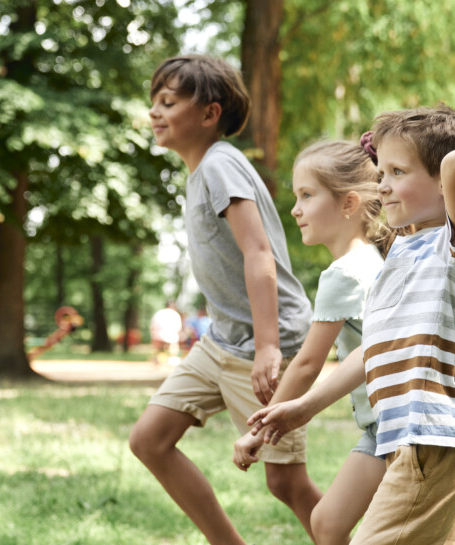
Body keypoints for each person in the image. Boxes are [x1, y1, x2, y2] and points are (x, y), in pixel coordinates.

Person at [249, 106, 455, 545]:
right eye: (380, 172)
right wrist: (303, 408)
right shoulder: (401, 252)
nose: (381, 185)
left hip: (431, 435)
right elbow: (373, 351)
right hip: (404, 435)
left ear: (445, 186)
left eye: (396, 172)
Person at [127, 54, 320, 545]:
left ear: (209, 114)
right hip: (221, 341)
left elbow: (258, 254)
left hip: (265, 341)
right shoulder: (200, 172)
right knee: (149, 440)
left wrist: (268, 347)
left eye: (168, 102)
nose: (155, 112)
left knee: (285, 482)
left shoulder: (220, 164)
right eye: (154, 102)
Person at [230, 138, 398, 545]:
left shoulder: (343, 273)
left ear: (348, 203)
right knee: (325, 523)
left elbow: (307, 364)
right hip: (382, 429)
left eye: (307, 195)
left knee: (342, 527)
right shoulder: (373, 261)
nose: (295, 209)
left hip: (393, 429)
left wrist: (259, 429)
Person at [149, 301, 183, 366]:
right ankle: (173, 357)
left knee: (158, 346)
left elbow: (152, 326)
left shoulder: (158, 313)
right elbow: (179, 329)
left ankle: (156, 358)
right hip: (170, 337)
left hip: (157, 336)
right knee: (174, 344)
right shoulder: (175, 314)